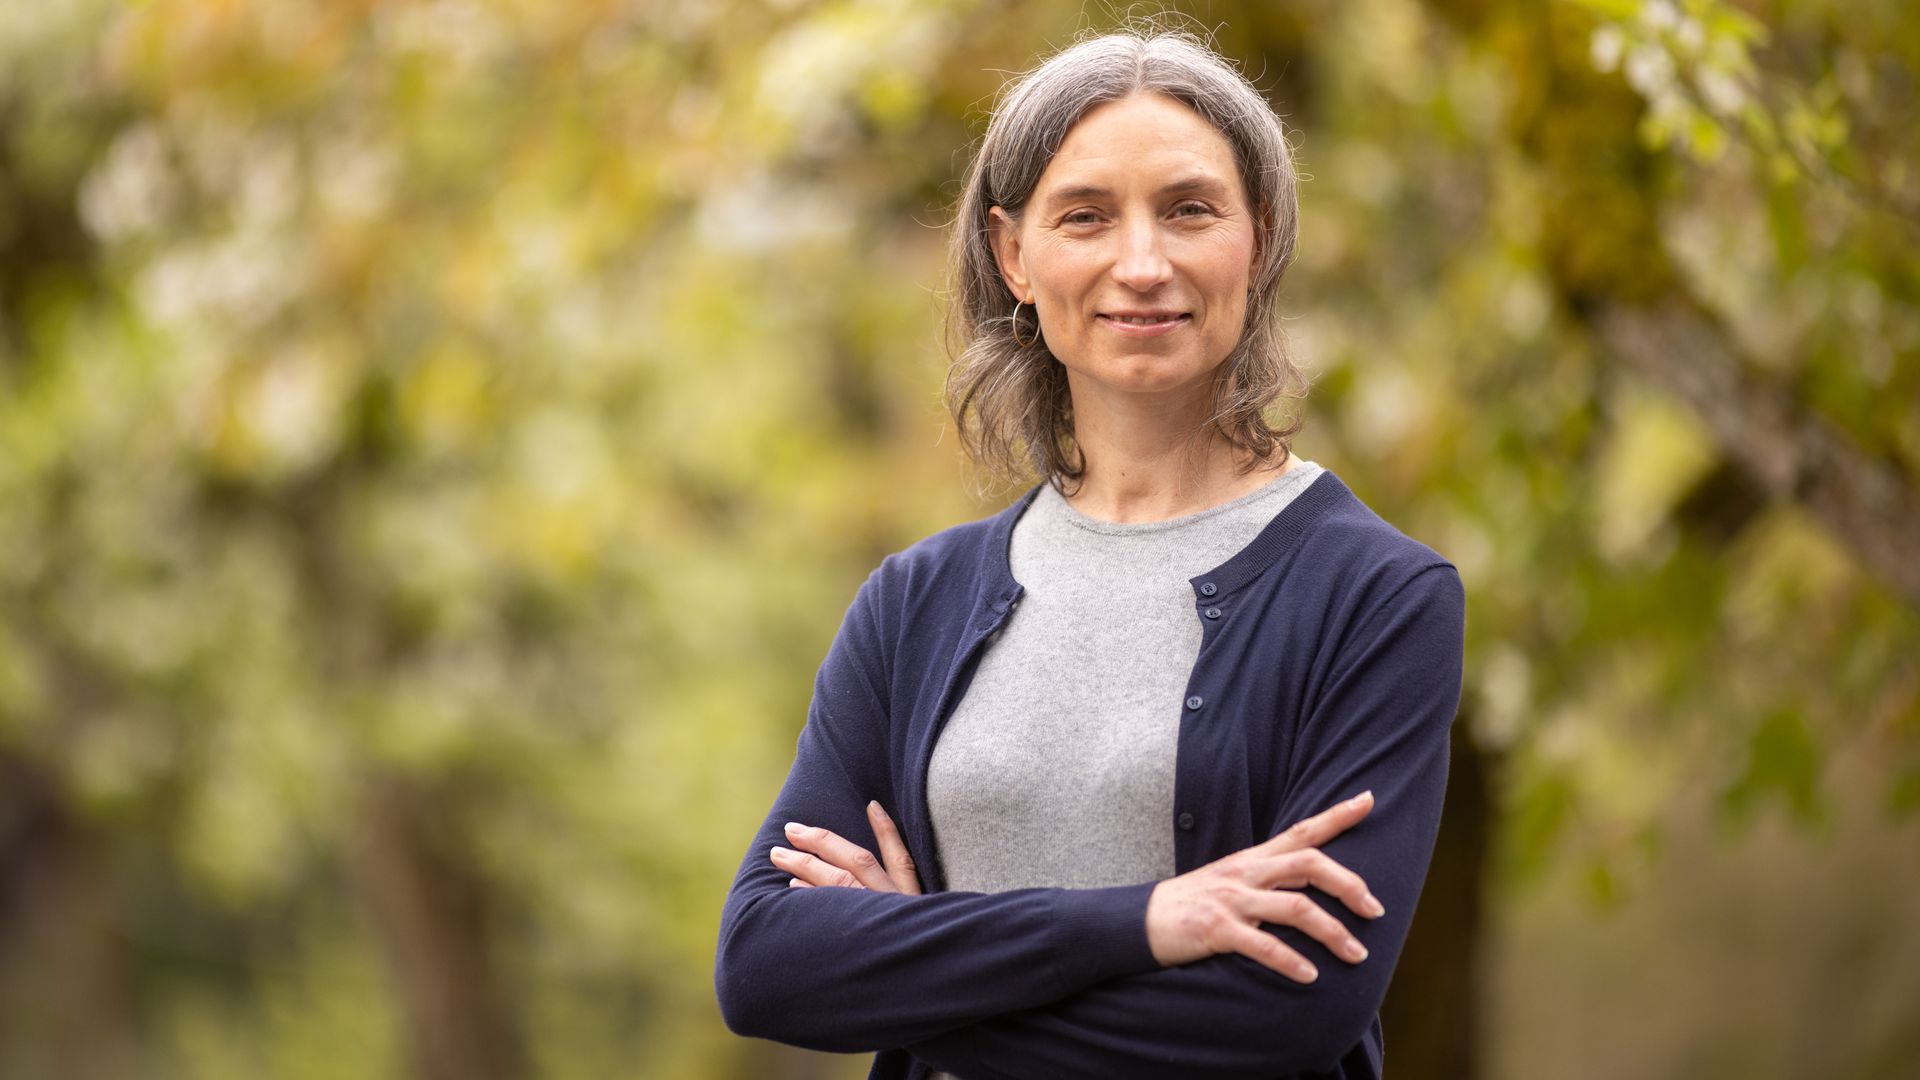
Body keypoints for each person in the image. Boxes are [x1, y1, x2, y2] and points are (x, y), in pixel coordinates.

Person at [715, 27, 1464, 1080]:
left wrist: (913, 975)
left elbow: (1290, 1009)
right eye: (1086, 215)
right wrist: (1147, 922)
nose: (1143, 264)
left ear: (1260, 239)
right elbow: (765, 964)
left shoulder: (1375, 596)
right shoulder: (914, 602)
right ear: (1013, 255)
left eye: (1190, 209)